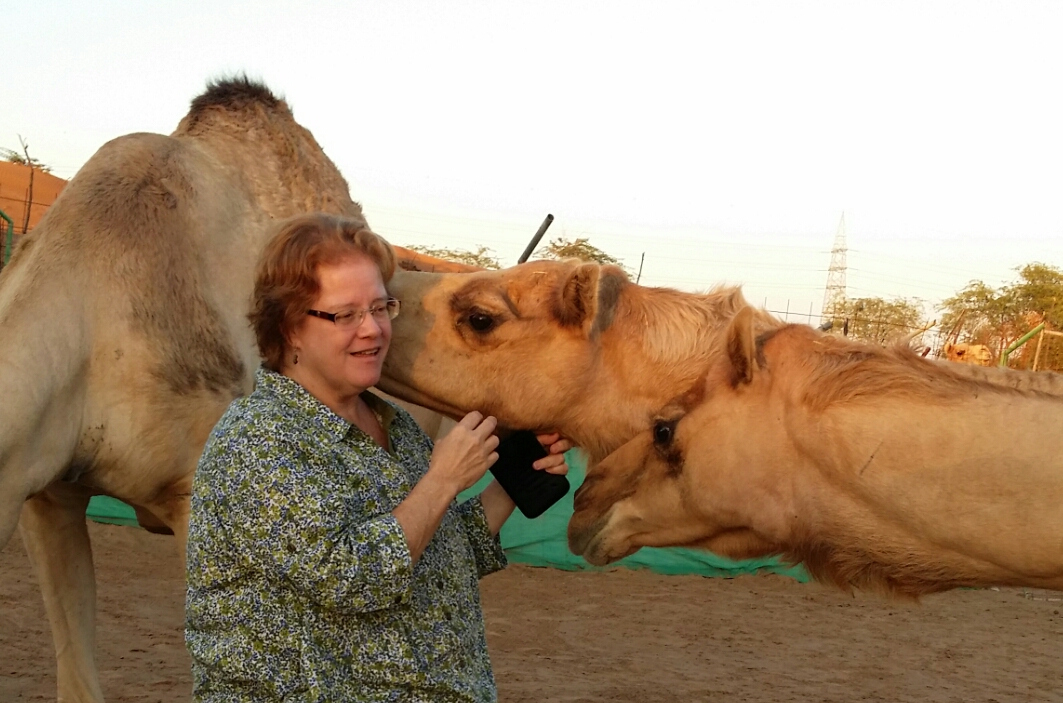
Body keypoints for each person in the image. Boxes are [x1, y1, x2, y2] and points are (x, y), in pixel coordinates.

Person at [184, 212, 571, 702]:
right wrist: (442, 480)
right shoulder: (259, 442)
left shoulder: (392, 425)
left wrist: (513, 482)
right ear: (290, 328)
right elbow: (351, 578)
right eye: (345, 314)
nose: (373, 330)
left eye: (380, 307)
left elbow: (436, 557)